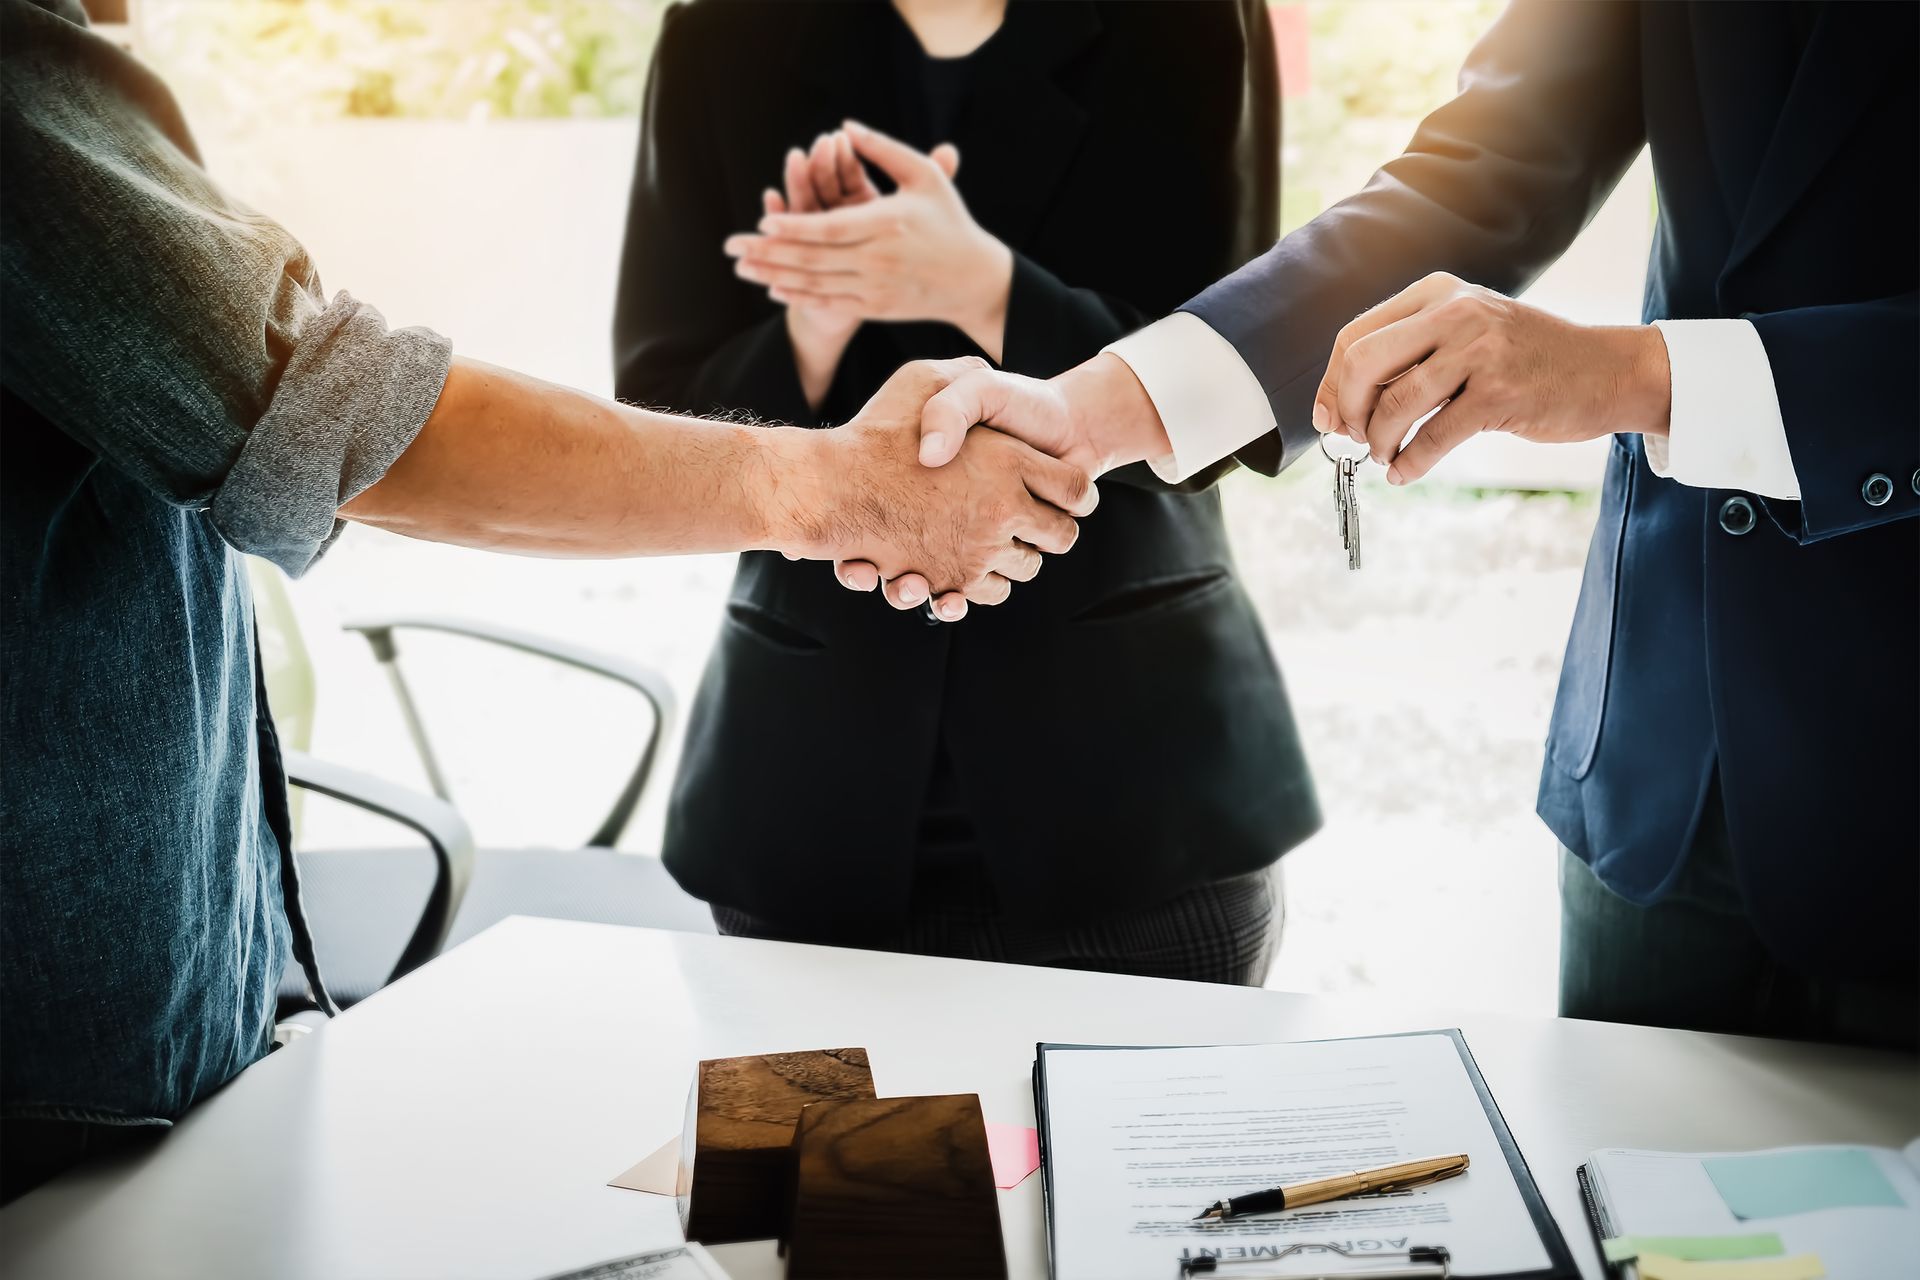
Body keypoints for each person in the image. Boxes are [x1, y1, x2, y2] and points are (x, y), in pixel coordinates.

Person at [0, 0, 1093, 1200]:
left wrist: (978, 293)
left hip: (137, 1039)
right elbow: (340, 416)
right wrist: (844, 479)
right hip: (66, 1086)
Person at [888, 0, 1920, 1046]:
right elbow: (1489, 165)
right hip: (1659, 758)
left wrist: (1638, 376)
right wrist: (1090, 411)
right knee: (1614, 1190)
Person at [612, 0, 1318, 984]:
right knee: (822, 1140)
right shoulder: (723, 32)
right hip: (810, 792)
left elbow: (1235, 380)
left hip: (1141, 796)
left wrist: (983, 287)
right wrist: (812, 328)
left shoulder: (1186, 20)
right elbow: (657, 415)